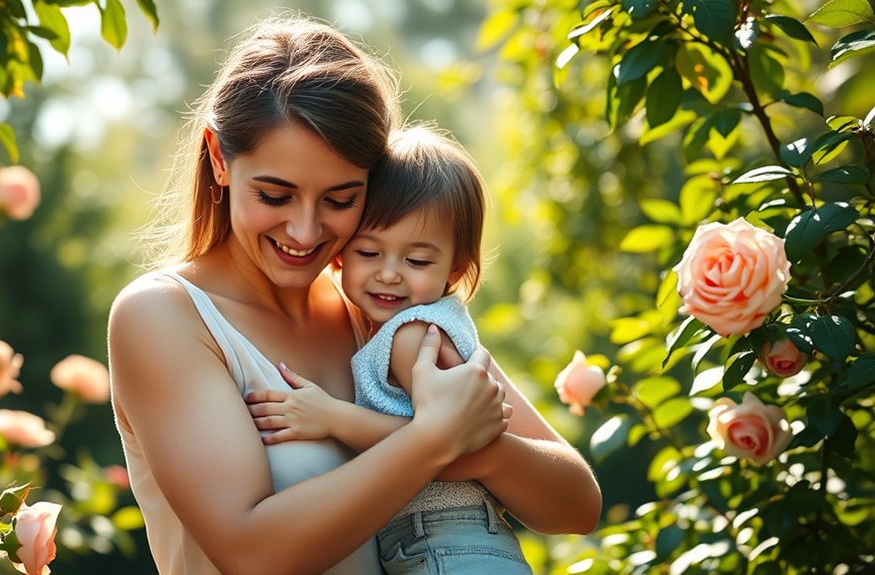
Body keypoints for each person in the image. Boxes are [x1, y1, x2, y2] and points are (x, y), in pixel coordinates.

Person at [108, 14, 602, 575]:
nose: (304, 230)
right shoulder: (164, 316)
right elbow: (250, 552)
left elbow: (576, 504)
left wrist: (472, 444)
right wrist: (434, 439)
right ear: (220, 160)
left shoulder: (377, 308)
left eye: (340, 200)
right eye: (275, 195)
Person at [247, 125, 533, 574]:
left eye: (417, 261)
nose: (389, 274)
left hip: (444, 539)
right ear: (340, 254)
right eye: (368, 253)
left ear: (455, 269)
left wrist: (330, 417)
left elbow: (438, 440)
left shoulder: (414, 336)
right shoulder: (414, 325)